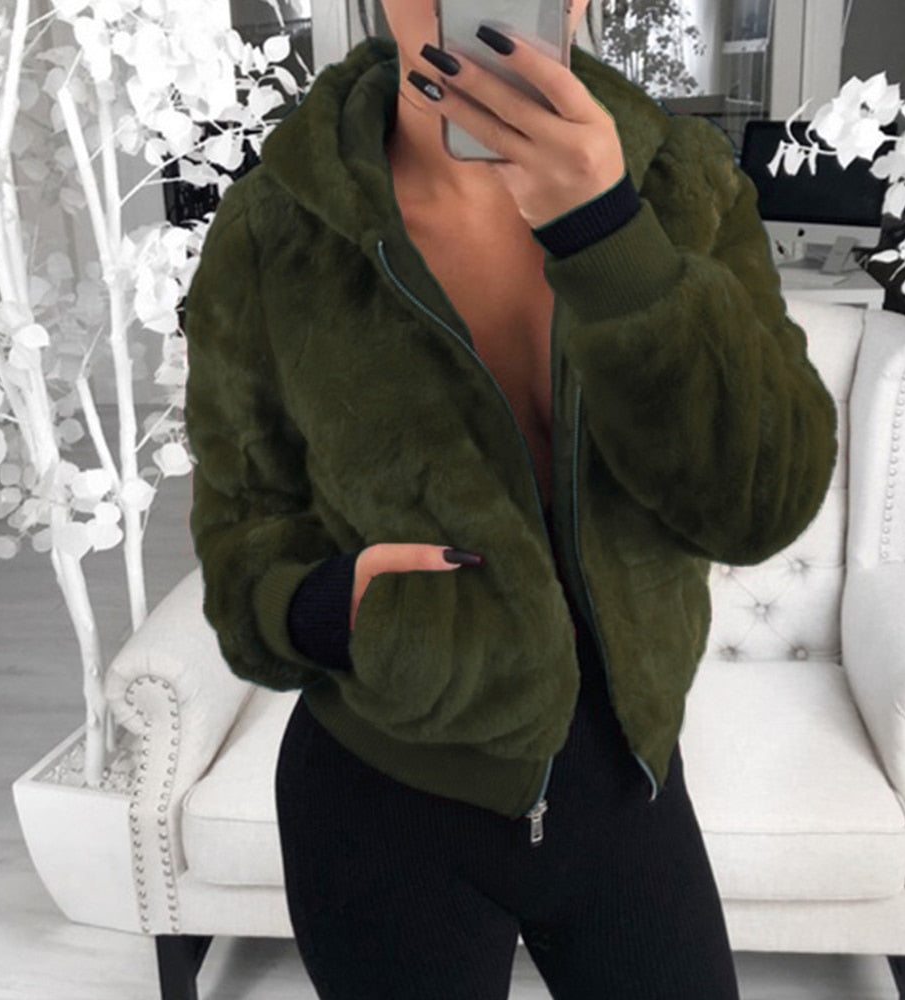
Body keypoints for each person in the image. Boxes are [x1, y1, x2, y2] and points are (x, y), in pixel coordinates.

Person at [183, 1, 839, 997]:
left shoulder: (683, 185)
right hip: (381, 800)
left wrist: (608, 232)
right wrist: (325, 608)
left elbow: (760, 504)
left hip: (627, 787)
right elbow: (243, 533)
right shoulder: (277, 228)